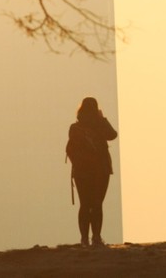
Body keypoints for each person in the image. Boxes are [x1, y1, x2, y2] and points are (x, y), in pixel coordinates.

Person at [67, 96, 117, 247]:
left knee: (85, 204)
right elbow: (113, 135)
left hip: (82, 172)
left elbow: (70, 150)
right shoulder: (99, 125)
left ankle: (84, 239)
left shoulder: (75, 128)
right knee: (97, 204)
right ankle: (96, 238)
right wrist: (102, 118)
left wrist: (78, 165)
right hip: (100, 171)